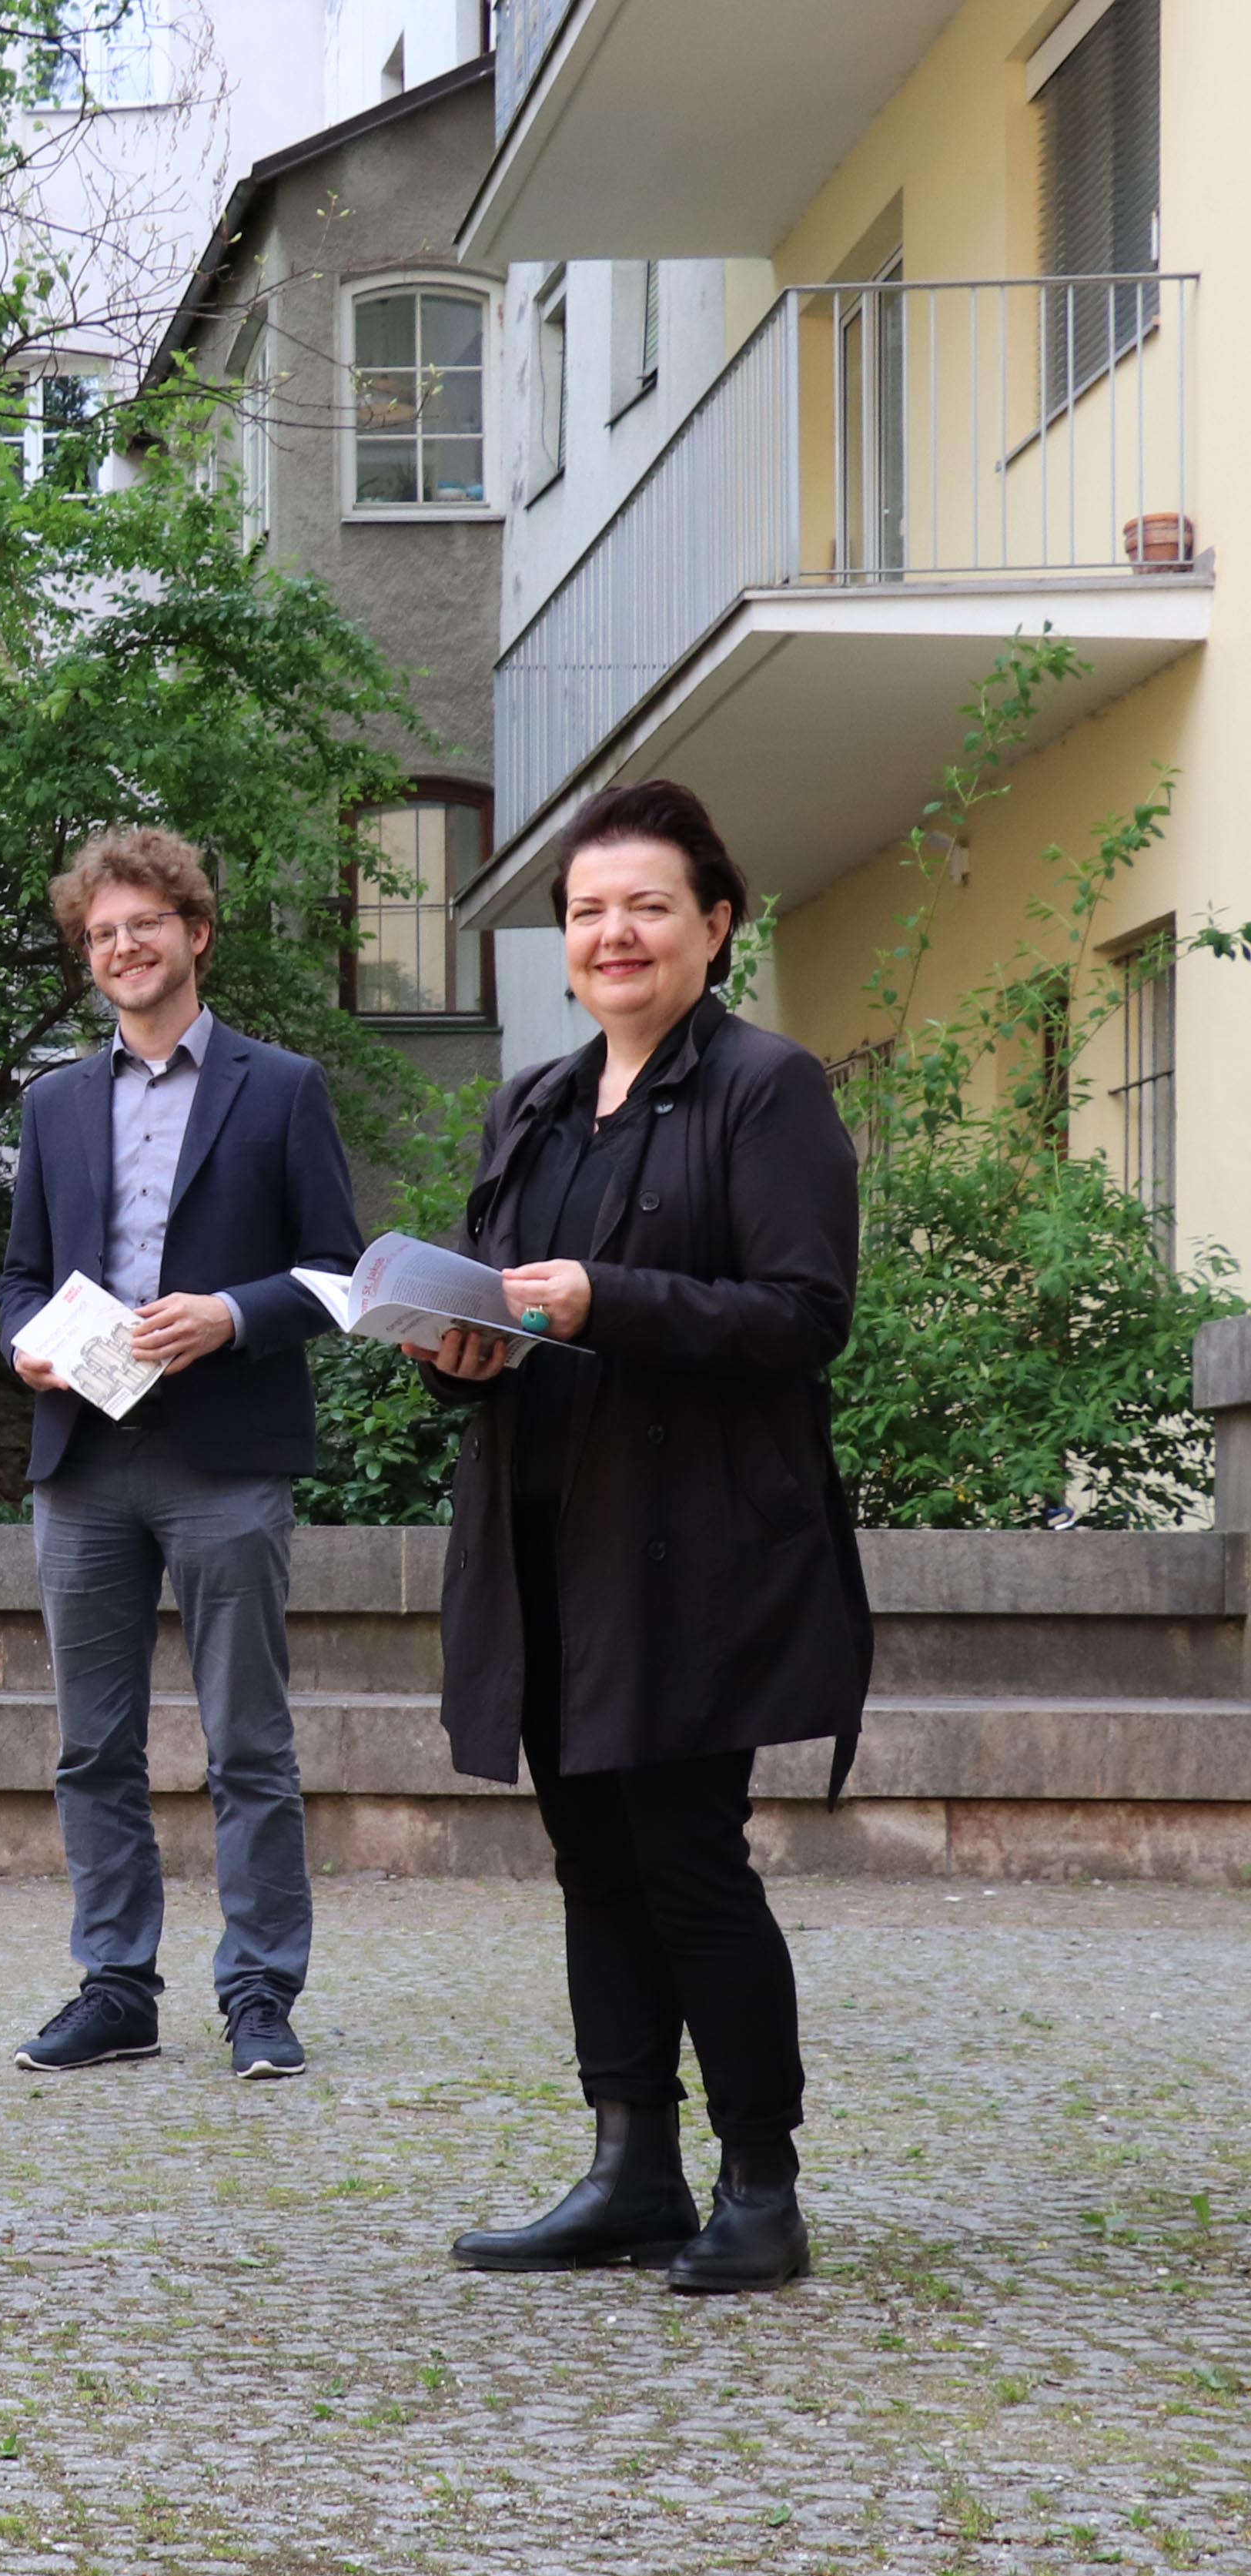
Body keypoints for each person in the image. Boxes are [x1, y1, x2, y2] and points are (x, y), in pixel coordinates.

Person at [426, 780, 865, 2295]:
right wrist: (456, 1343)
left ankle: (762, 2185)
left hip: (694, 1554)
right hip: (545, 1540)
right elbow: (499, 1298)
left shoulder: (766, 1085)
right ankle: (631, 2169)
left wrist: (601, 1299)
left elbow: (802, 1316)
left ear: (715, 924)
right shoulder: (535, 1106)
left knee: (687, 1859)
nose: (614, 933)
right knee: (593, 1863)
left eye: (648, 906)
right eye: (588, 911)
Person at [0, 828, 363, 2082]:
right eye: (101, 933)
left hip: (227, 1457)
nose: (122, 947)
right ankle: (117, 1991)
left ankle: (259, 1992)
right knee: (91, 1749)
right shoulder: (52, 1103)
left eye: (143, 924)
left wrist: (232, 1315)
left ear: (196, 934)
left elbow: (338, 1274)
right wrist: (26, 1350)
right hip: (84, 1458)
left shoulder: (282, 1087)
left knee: (247, 1743)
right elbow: (21, 1282)